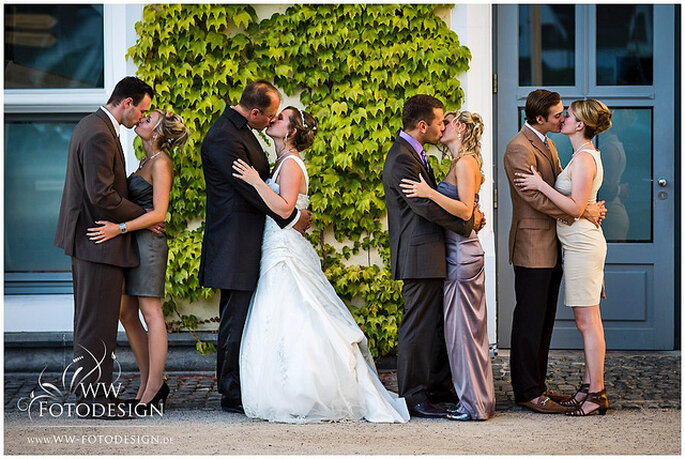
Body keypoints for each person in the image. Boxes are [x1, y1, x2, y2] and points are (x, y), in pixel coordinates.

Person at [232, 107, 408, 423]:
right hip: (278, 247)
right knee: (284, 318)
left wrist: (256, 182)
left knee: (300, 315)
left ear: (292, 131)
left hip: (285, 250)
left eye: (282, 118)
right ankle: (286, 390)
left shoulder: (290, 164)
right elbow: (293, 213)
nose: (274, 120)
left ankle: (309, 391)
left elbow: (285, 209)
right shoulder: (282, 163)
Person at [199, 80, 311, 414]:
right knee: (235, 319)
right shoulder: (223, 137)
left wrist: (290, 213)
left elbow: (269, 190)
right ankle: (231, 392)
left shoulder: (245, 132)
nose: (272, 120)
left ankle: (243, 384)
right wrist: (292, 217)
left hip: (256, 240)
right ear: (256, 112)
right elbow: (251, 192)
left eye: (279, 117)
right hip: (234, 243)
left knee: (246, 317)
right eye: (271, 115)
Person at [53, 76, 154, 416]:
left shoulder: (92, 125)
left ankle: (94, 398)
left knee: (92, 321)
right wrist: (144, 215)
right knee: (97, 324)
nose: (142, 118)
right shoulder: (99, 132)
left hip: (92, 240)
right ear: (126, 103)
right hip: (97, 240)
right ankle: (94, 402)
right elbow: (102, 195)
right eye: (141, 111)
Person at [503, 89, 605, 414]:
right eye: (558, 114)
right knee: (529, 319)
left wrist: (579, 209)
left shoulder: (549, 144)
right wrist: (580, 211)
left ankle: (539, 385)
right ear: (538, 118)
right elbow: (532, 197)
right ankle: (527, 391)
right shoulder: (518, 148)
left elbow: (565, 190)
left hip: (557, 246)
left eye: (566, 113)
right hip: (532, 245)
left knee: (544, 320)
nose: (563, 117)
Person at [382, 95, 484, 419]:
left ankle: (439, 388)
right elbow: (424, 205)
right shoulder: (401, 158)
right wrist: (468, 221)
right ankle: (413, 396)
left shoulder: (416, 154)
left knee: (436, 326)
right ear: (423, 125)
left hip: (432, 251)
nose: (443, 127)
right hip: (419, 253)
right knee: (417, 326)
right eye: (440, 122)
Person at [87, 109, 190, 413]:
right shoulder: (145, 161)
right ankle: (149, 380)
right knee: (125, 311)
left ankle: (155, 386)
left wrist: (117, 228)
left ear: (157, 133)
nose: (141, 120)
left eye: (148, 120)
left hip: (148, 244)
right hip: (133, 241)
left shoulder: (161, 164)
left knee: (150, 310)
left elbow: (159, 214)